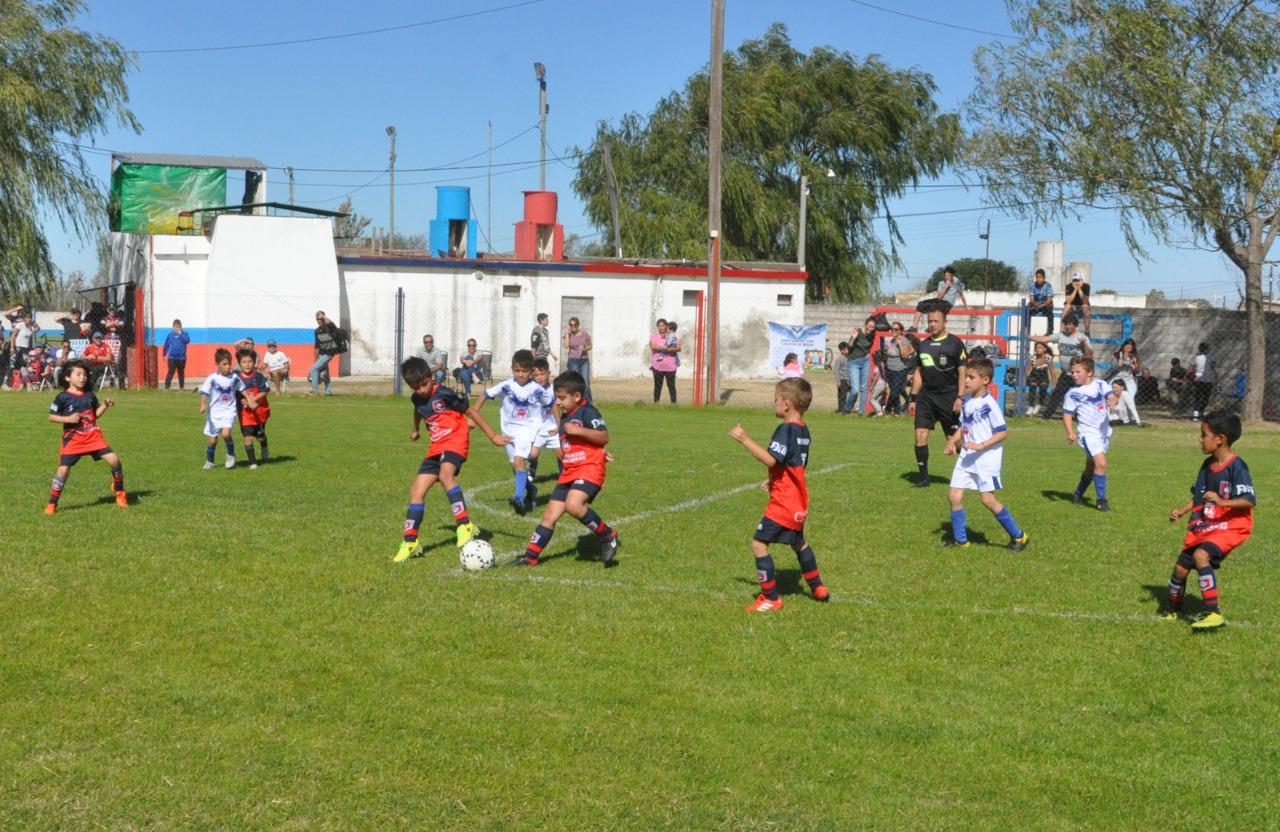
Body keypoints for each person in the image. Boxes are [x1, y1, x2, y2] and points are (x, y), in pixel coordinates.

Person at [393, 356, 510, 563]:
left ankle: (464, 525)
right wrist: (415, 428)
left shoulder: (445, 394)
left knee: (445, 475)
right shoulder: (416, 398)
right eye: (415, 387)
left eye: (424, 384)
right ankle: (411, 542)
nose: (421, 390)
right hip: (435, 447)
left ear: (431, 377)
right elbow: (418, 409)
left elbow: (471, 411)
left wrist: (492, 436)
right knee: (416, 491)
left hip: (455, 441)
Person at [728, 377, 829, 612]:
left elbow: (771, 458)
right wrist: (774, 478)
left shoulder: (785, 429)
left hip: (783, 502)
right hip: (798, 499)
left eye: (776, 399)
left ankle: (771, 597)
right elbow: (793, 464)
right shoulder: (804, 430)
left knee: (758, 544)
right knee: (799, 544)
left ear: (786, 404)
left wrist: (745, 439)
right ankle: (817, 587)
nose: (773, 403)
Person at [512, 370, 618, 568]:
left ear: (577, 396)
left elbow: (603, 436)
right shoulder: (565, 419)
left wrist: (582, 433)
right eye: (556, 398)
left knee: (573, 505)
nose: (558, 402)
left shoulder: (588, 411)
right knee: (549, 515)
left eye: (562, 398)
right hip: (569, 472)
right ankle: (530, 556)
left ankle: (607, 535)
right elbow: (572, 447)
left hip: (589, 468)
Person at [1161, 412, 1255, 631]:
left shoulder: (1237, 467)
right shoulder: (1207, 465)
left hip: (1231, 527)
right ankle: (1173, 611)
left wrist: (1222, 501)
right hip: (1206, 526)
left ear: (1220, 439)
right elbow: (1199, 496)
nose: (1200, 439)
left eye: (1204, 435)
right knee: (1180, 569)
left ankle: (1214, 613)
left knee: (1201, 556)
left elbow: (1249, 501)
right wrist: (1182, 511)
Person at [942, 358, 1029, 550]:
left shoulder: (990, 404)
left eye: (971, 377)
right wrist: (951, 441)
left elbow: (1003, 432)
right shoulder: (967, 401)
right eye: (966, 377)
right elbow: (964, 426)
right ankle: (961, 541)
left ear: (985, 380)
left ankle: (1019, 536)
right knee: (954, 495)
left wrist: (981, 445)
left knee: (987, 500)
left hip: (986, 457)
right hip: (967, 456)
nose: (966, 381)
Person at [43, 359, 128, 514]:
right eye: (78, 374)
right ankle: (52, 503)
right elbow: (52, 417)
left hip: (93, 436)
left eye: (85, 375)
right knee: (63, 471)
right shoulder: (62, 397)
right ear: (68, 377)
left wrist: (105, 405)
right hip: (73, 439)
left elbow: (94, 415)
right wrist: (67, 419)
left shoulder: (89, 395)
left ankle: (119, 491)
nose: (83, 377)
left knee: (114, 460)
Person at [478, 349, 556, 516]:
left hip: (527, 430)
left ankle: (519, 498)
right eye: (517, 370)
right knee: (515, 466)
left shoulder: (536, 389)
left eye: (524, 371)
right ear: (512, 369)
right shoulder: (506, 386)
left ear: (531, 371)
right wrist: (474, 413)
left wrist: (559, 424)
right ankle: (531, 490)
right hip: (508, 430)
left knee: (519, 461)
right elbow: (486, 394)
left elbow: (552, 403)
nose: (520, 374)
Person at [908, 303, 967, 488]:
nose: (932, 324)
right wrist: (913, 397)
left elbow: (963, 373)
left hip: (949, 397)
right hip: (926, 397)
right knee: (920, 435)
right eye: (930, 321)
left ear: (944, 321)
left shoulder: (955, 343)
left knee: (955, 441)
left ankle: (967, 475)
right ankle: (924, 478)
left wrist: (960, 397)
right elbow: (919, 372)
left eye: (936, 321)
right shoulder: (924, 345)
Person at [1061, 356, 1120, 511]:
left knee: (1091, 467)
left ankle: (1078, 493)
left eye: (1077, 371)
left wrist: (1113, 400)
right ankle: (1101, 500)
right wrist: (1070, 432)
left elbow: (1110, 396)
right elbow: (1067, 414)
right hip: (1088, 434)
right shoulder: (1073, 393)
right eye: (1072, 372)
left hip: (1103, 433)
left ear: (1089, 372)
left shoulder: (1100, 384)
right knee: (1101, 463)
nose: (1073, 375)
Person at [1029, 315, 1092, 418]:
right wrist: (1030, 337)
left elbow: (1090, 353)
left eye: (1070, 324)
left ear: (1075, 325)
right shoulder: (1060, 336)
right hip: (1066, 373)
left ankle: (1084, 416)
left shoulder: (1081, 337)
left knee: (1081, 395)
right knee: (1057, 394)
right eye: (1066, 324)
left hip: (1078, 374)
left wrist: (1084, 344)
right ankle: (1046, 416)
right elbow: (1045, 339)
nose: (1067, 326)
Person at [200, 348, 246, 470]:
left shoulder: (234, 377)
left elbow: (242, 389)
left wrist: (249, 399)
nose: (228, 367)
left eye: (229, 364)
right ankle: (210, 461)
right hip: (214, 413)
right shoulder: (212, 378)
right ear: (217, 364)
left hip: (229, 410)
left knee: (226, 434)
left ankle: (230, 454)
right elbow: (205, 392)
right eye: (224, 364)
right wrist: (203, 404)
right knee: (212, 440)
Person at [529, 356, 563, 481]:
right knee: (532, 454)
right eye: (536, 375)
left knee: (561, 454)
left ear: (548, 373)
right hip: (538, 428)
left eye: (542, 374)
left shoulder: (555, 389)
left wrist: (560, 425)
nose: (539, 377)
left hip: (554, 426)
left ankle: (564, 473)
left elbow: (560, 406)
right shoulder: (531, 390)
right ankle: (532, 468)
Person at [235, 348, 271, 469]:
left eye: (250, 361)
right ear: (239, 363)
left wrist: (251, 400)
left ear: (254, 362)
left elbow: (264, 391)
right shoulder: (236, 377)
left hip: (258, 411)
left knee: (260, 437)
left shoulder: (258, 377)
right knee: (247, 437)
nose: (247, 364)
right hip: (244, 413)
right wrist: (243, 401)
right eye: (244, 362)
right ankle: (253, 462)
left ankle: (264, 445)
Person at [911, 266, 968, 330]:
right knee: (921, 304)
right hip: (939, 301)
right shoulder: (941, 283)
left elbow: (961, 295)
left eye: (948, 276)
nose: (947, 277)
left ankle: (931, 327)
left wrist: (965, 306)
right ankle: (914, 327)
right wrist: (946, 286)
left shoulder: (957, 284)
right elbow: (939, 297)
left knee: (936, 310)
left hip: (948, 304)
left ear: (952, 276)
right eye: (945, 275)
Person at [309, 311, 345, 396]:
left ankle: (314, 391)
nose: (319, 320)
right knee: (325, 374)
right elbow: (317, 346)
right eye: (317, 319)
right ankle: (328, 392)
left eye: (320, 318)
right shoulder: (317, 331)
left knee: (313, 369)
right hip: (321, 354)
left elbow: (332, 324)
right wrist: (316, 359)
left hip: (329, 353)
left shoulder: (330, 328)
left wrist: (324, 317)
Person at [882, 322, 914, 415]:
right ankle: (897, 411)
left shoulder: (904, 340)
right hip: (890, 369)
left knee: (895, 392)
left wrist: (899, 344)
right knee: (893, 391)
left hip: (900, 370)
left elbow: (905, 355)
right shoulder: (890, 340)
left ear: (901, 331)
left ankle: (887, 409)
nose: (893, 331)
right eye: (892, 329)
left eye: (896, 329)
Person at [845, 317, 876, 414]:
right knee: (854, 389)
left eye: (873, 327)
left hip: (865, 361)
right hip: (853, 362)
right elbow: (848, 347)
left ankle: (861, 411)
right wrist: (853, 338)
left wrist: (866, 354)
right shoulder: (857, 332)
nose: (870, 329)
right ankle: (847, 409)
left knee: (864, 387)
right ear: (865, 324)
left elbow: (869, 347)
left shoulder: (872, 335)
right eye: (869, 326)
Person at [649, 319, 679, 404]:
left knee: (671, 386)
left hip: (670, 366)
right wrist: (665, 348)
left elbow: (678, 347)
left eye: (662, 325)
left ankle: (673, 404)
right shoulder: (654, 336)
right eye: (659, 326)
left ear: (666, 326)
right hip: (658, 366)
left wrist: (671, 348)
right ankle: (656, 403)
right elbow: (653, 346)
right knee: (658, 386)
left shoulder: (672, 336)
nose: (661, 327)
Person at [564, 317, 592, 400]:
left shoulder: (584, 334)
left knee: (585, 382)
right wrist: (567, 334)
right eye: (571, 325)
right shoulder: (568, 334)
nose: (573, 327)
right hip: (573, 360)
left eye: (575, 325)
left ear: (578, 325)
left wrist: (585, 349)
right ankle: (574, 401)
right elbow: (566, 346)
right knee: (574, 382)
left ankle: (587, 403)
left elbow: (590, 345)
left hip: (584, 360)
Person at [1026, 341, 1054, 416]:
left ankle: (1039, 404)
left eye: (1040, 347)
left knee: (1043, 387)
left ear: (1045, 349)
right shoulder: (1032, 357)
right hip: (1033, 376)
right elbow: (1028, 369)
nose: (1038, 349)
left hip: (1043, 377)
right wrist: (1026, 379)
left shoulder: (1048, 357)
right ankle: (1031, 406)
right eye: (1036, 348)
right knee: (1032, 386)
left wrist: (1054, 384)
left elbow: (1052, 371)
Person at [163, 320, 191, 390]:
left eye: (178, 327)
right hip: (172, 357)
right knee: (170, 372)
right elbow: (166, 345)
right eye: (175, 327)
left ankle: (181, 387)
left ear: (181, 327)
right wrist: (164, 354)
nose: (176, 329)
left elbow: (187, 341)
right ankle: (167, 387)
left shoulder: (185, 334)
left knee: (181, 372)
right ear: (173, 327)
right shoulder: (170, 335)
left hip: (181, 358)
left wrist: (180, 334)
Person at [1189, 341, 1214, 420]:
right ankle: (1201, 412)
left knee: (1197, 397)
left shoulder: (1196, 357)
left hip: (1198, 380)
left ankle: (1195, 414)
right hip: (1208, 380)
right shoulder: (1210, 358)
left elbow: (1192, 367)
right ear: (1206, 350)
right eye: (1208, 349)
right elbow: (1213, 367)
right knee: (1205, 397)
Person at [1027, 268, 1055, 334]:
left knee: (1050, 313)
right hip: (1036, 305)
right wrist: (1035, 305)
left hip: (1045, 305)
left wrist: (1041, 306)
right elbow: (1031, 299)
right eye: (1037, 277)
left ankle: (1050, 331)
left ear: (1044, 278)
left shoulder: (1048, 286)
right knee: (1027, 311)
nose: (1038, 279)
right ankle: (1027, 329)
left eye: (1040, 277)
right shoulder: (1032, 286)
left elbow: (1049, 300)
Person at [832, 342, 851, 414]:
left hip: (848, 379)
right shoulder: (839, 359)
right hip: (842, 380)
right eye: (846, 349)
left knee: (844, 395)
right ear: (842, 351)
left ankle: (842, 408)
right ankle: (841, 409)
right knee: (841, 395)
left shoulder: (849, 358)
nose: (848, 350)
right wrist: (838, 381)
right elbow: (836, 370)